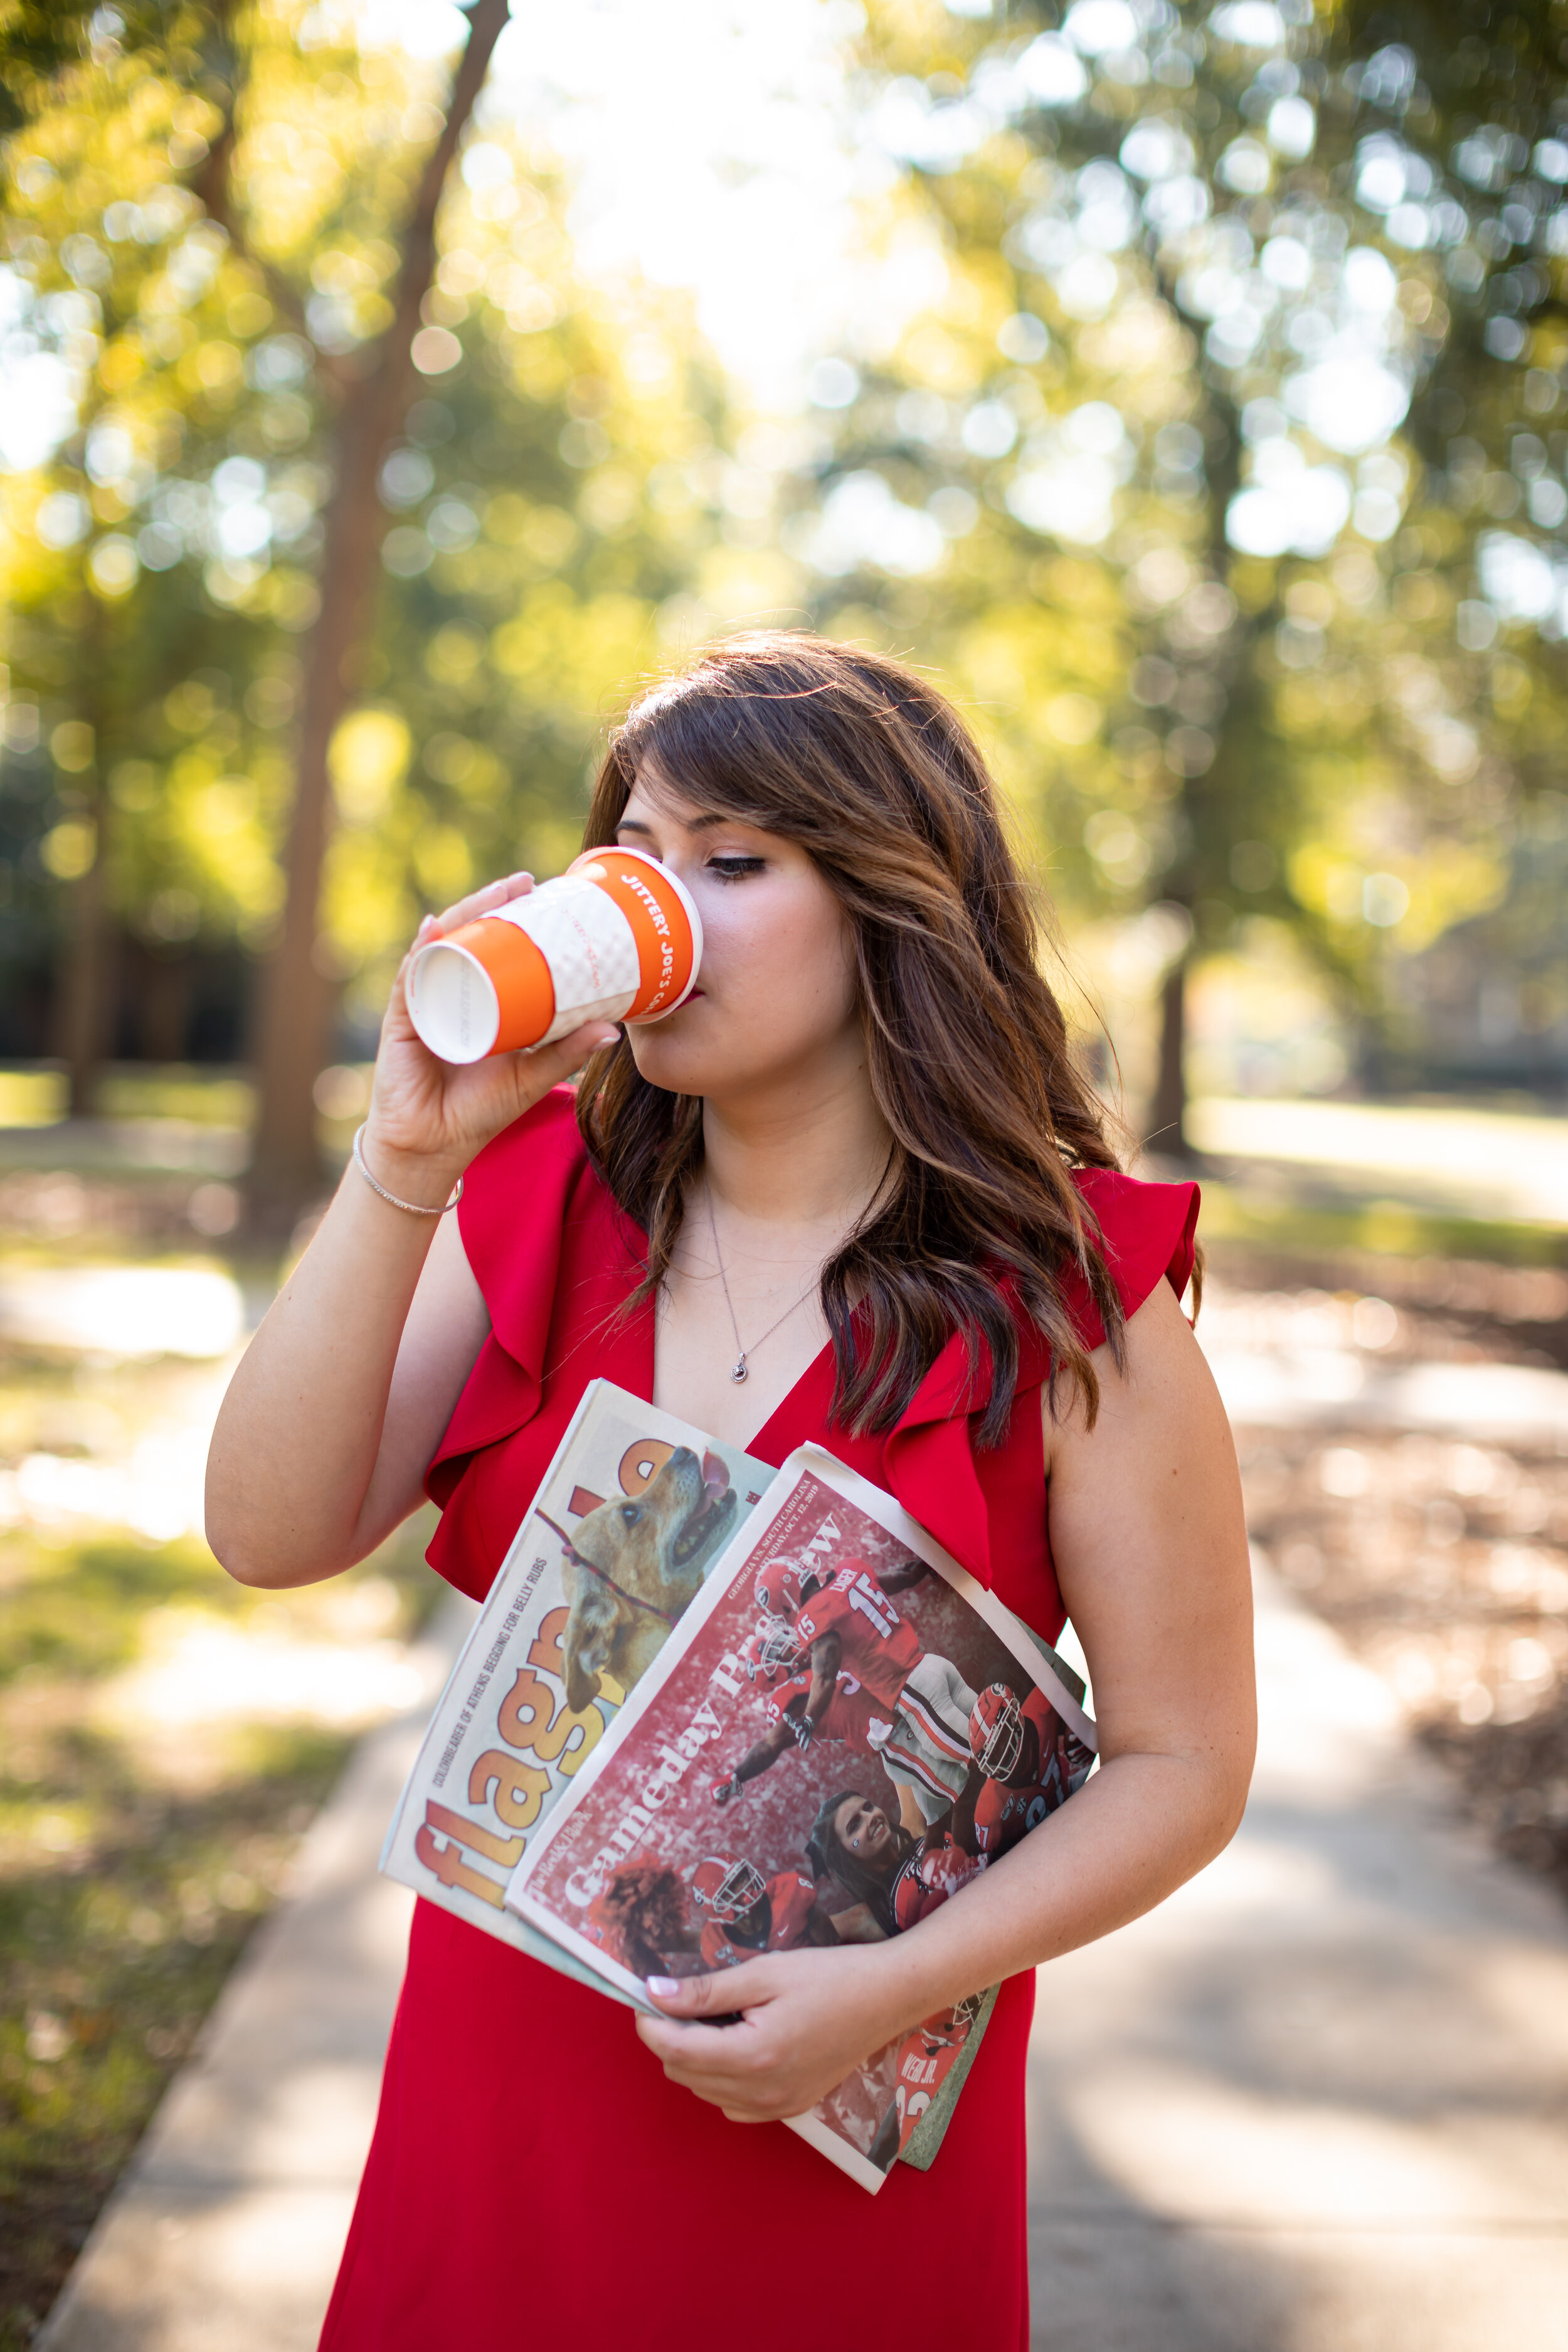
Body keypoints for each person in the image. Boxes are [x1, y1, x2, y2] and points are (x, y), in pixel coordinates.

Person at [206, 632, 1255, 2351]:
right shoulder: (536, 1199)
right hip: (502, 2103)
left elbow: (1185, 1765)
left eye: (732, 862)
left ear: (889, 905)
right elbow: (266, 1533)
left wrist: (892, 1989)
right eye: (637, 856)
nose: (663, 903)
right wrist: (404, 1158)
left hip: (828, 2114)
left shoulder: (1078, 1308)